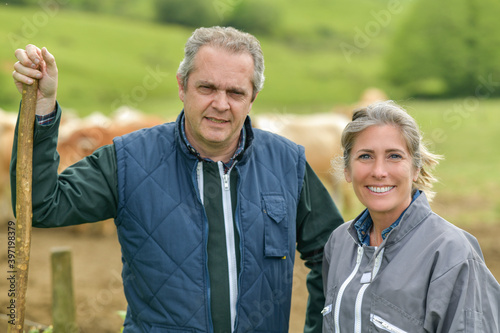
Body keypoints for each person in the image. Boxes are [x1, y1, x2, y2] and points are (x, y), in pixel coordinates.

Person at [10, 26, 344, 332]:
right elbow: (42, 205)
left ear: (252, 97)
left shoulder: (287, 163)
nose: (221, 104)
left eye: (236, 92)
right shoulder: (129, 159)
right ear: (182, 86)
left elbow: (335, 259)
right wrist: (41, 110)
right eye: (207, 87)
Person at [322, 100, 500, 332]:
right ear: (347, 170)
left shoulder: (452, 252)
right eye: (365, 156)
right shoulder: (338, 243)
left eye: (394, 156)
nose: (379, 171)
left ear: (416, 168)